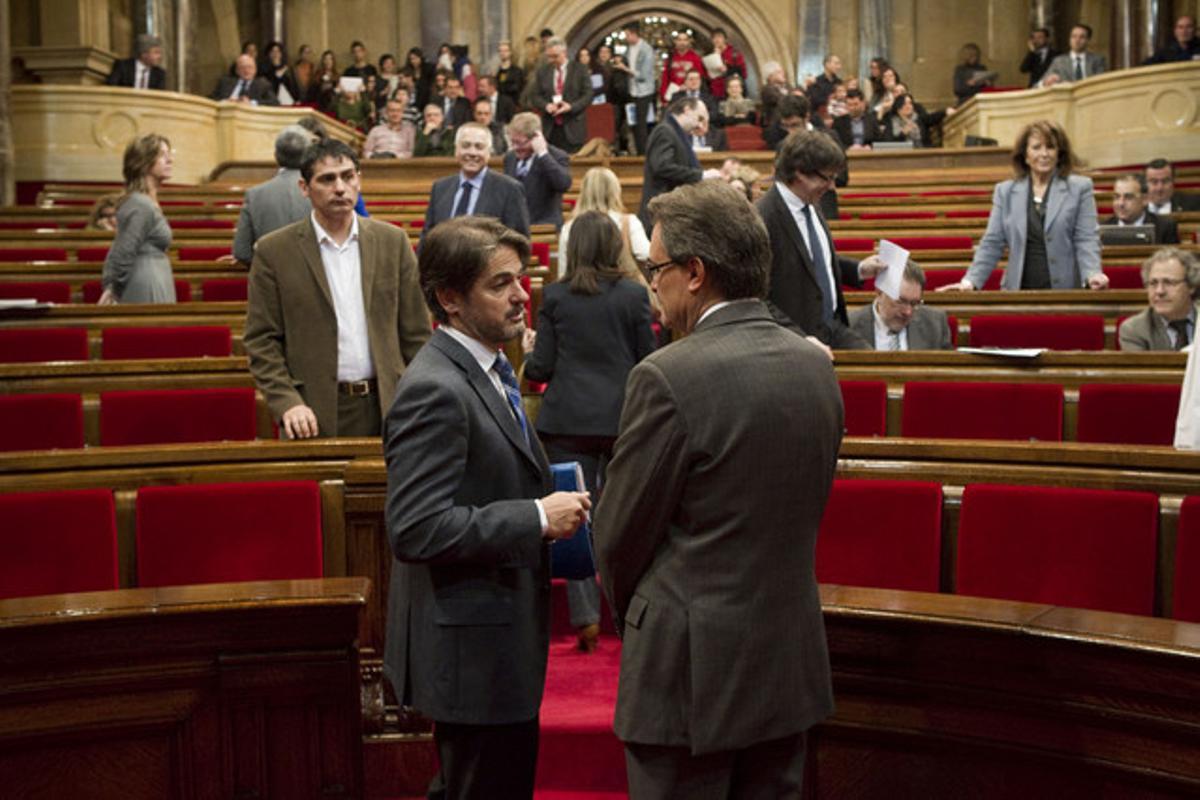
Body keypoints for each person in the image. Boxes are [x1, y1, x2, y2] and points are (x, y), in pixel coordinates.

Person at [593, 179, 844, 798]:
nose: (653, 284)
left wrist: (645, 618)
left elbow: (618, 538)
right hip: (785, 661)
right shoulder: (817, 366)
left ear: (696, 271)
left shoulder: (668, 375)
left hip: (689, 679)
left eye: (655, 270)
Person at [383, 215, 590, 800]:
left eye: (520, 279)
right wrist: (536, 517)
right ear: (449, 298)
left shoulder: (490, 368)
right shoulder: (436, 387)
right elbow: (416, 528)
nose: (522, 295)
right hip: (470, 650)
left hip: (493, 642)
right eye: (500, 284)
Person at [521, 210, 655, 653]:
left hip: (568, 420)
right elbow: (646, 362)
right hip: (622, 420)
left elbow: (542, 367)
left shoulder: (557, 297)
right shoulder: (635, 295)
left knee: (573, 518)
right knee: (623, 517)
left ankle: (585, 622)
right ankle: (626, 611)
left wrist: (528, 350)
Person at [244, 138, 431, 439]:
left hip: (390, 404)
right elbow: (261, 339)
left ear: (359, 179)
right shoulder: (274, 251)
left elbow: (417, 334)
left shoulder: (392, 242)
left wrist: (419, 397)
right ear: (304, 188)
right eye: (327, 179)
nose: (340, 187)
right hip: (311, 410)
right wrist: (287, 402)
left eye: (348, 176)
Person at [945, 120, 1108, 291]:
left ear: (1059, 153)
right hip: (1018, 292)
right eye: (1036, 147)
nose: (1044, 154)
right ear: (1025, 155)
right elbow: (992, 242)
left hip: (1066, 291)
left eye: (1050, 147)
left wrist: (1092, 273)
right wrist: (970, 282)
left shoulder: (1079, 188)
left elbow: (1086, 238)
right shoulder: (1005, 191)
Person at [756, 130, 882, 348]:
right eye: (827, 178)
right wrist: (799, 339)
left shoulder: (812, 202)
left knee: (877, 368)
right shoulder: (761, 219)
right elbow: (755, 297)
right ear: (799, 173)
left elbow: (814, 261)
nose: (832, 185)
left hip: (832, 327)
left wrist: (859, 269)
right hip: (791, 341)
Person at [421, 122, 530, 244]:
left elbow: (519, 242)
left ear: (489, 152)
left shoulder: (509, 189)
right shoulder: (440, 188)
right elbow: (427, 237)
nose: (472, 153)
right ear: (456, 149)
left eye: (479, 147)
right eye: (466, 145)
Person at [99, 134, 175, 304]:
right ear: (144, 162)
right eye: (162, 155)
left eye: (169, 154)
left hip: (155, 277)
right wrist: (112, 289)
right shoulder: (140, 204)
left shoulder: (145, 201)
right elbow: (123, 250)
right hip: (146, 283)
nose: (170, 159)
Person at [232, 125, 313, 265]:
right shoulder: (322, 191)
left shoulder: (254, 195)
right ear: (309, 156)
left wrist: (268, 267)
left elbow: (242, 252)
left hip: (269, 281)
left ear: (275, 155)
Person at [639, 96, 723, 229]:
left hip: (671, 210)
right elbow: (662, 167)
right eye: (699, 118)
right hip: (662, 212)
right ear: (687, 110)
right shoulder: (665, 131)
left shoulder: (678, 133)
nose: (699, 125)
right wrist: (701, 175)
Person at [559, 167, 651, 279]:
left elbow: (563, 272)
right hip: (622, 290)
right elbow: (647, 255)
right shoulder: (629, 222)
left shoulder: (569, 227)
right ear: (615, 191)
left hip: (582, 290)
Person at [848, 261, 953, 350]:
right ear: (879, 292)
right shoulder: (849, 325)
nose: (908, 312)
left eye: (914, 303)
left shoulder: (935, 324)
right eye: (900, 301)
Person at [1119, 248, 1199, 351]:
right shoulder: (1134, 330)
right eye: (1153, 283)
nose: (1159, 291)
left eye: (1169, 282)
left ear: (1191, 286)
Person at [503, 112, 572, 229]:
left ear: (536, 137)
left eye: (519, 143)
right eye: (512, 142)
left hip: (545, 228)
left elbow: (563, 184)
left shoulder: (556, 156)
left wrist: (543, 154)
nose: (515, 147)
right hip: (515, 228)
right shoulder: (510, 158)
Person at [529, 37, 593, 153]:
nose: (552, 60)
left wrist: (571, 106)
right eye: (549, 56)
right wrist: (546, 106)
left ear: (564, 53)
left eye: (555, 56)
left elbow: (588, 95)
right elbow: (535, 96)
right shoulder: (543, 71)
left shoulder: (580, 70)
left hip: (573, 126)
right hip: (550, 128)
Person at [1103, 174, 1180, 244]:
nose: (1121, 203)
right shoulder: (1101, 228)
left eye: (1128, 197)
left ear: (1145, 199)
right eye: (1117, 197)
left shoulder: (1165, 228)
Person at [617, 21, 656, 155]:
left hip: (643, 91)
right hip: (632, 90)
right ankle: (635, 151)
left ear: (634, 34)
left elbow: (643, 75)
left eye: (627, 35)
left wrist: (625, 69)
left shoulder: (646, 49)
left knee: (641, 124)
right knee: (632, 123)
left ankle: (643, 154)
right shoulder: (629, 49)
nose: (626, 38)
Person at [1040, 24, 1107, 86]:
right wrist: (1047, 82)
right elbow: (1040, 84)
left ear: (1088, 40)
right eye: (1074, 36)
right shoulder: (1059, 62)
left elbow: (1102, 83)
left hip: (1090, 96)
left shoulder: (1097, 60)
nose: (1077, 40)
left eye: (1082, 37)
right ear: (1069, 39)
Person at [212, 54, 279, 105]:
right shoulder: (225, 82)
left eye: (250, 67)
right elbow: (212, 99)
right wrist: (225, 101)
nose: (246, 70)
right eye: (242, 67)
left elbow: (274, 103)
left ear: (255, 70)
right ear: (237, 70)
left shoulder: (263, 84)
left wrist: (251, 103)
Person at [659, 32, 704, 104]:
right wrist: (663, 99)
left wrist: (688, 85)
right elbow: (665, 79)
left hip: (690, 95)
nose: (682, 42)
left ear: (689, 41)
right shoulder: (671, 58)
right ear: (675, 41)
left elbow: (700, 78)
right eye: (679, 40)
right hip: (673, 95)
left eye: (685, 40)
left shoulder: (695, 58)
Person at [706, 28, 747, 101]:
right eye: (714, 37)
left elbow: (743, 73)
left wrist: (728, 69)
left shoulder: (734, 53)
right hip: (716, 92)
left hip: (732, 92)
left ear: (725, 39)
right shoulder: (709, 55)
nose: (717, 40)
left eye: (719, 37)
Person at [493, 40, 525, 109]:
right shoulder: (497, 71)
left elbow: (516, 88)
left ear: (510, 52)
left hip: (512, 104)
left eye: (505, 51)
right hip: (499, 105)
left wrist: (501, 87)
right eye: (500, 51)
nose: (502, 53)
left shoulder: (517, 71)